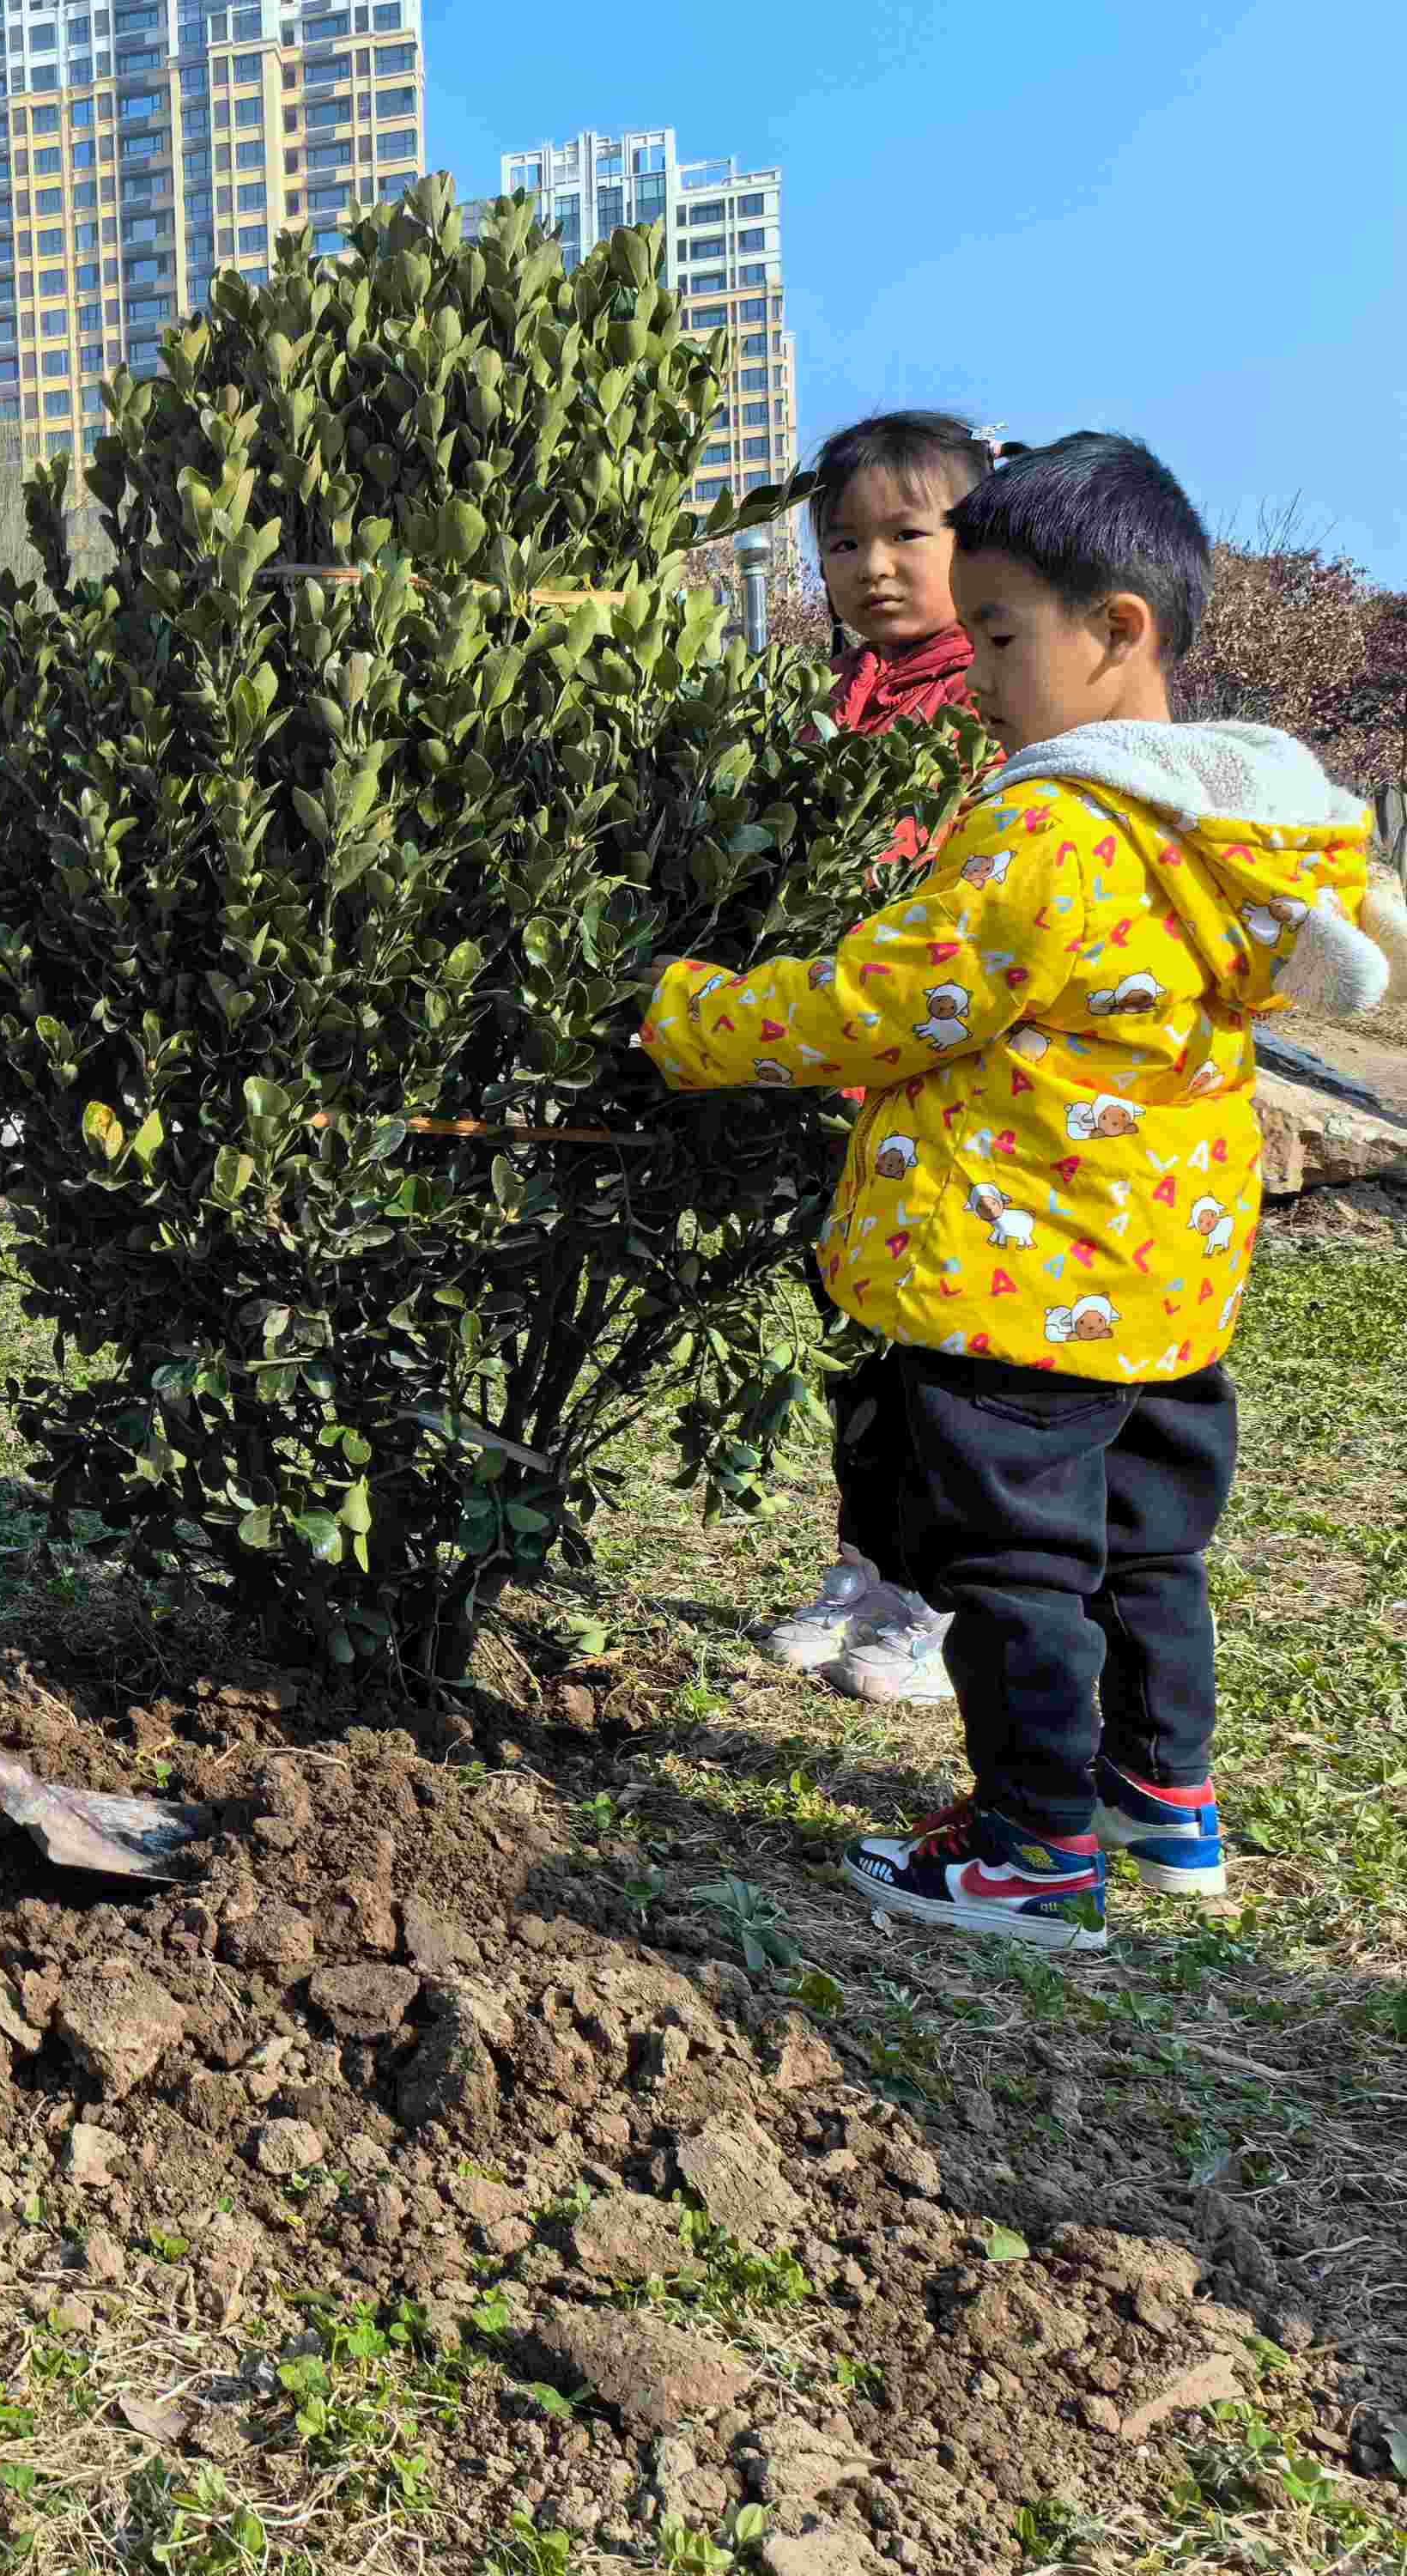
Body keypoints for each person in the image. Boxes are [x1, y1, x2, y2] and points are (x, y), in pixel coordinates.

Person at [643, 433, 1394, 1953]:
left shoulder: (1057, 824)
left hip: (1019, 1287)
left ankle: (1035, 1854)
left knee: (1019, 1577)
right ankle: (1159, 1803)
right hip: (1164, 1286)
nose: (972, 669)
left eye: (998, 636)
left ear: (1119, 629)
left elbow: (888, 998)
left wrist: (691, 1019)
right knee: (1148, 1553)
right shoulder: (1233, 831)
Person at [752, 411, 1004, 1710]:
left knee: (940, 1362)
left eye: (910, 534)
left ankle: (938, 1602)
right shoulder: (841, 706)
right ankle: (863, 1566)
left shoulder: (996, 700)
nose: (873, 568)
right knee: (857, 1347)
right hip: (848, 1091)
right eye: (842, 542)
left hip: (949, 1096)